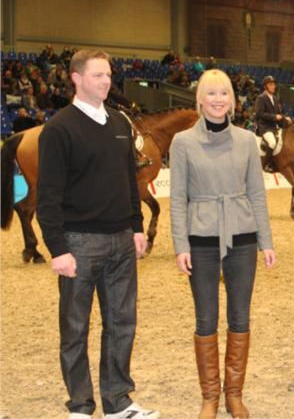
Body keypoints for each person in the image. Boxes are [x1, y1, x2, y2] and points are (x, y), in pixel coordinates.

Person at [36, 49, 159, 419]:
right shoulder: (59, 128)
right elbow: (48, 196)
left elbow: (129, 181)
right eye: (97, 75)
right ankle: (80, 405)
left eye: (108, 75)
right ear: (76, 78)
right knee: (75, 329)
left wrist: (137, 227)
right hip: (78, 243)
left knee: (122, 324)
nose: (106, 81)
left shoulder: (121, 123)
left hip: (122, 239)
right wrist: (57, 247)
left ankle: (118, 400)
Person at [170, 69, 277, 419]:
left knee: (239, 316)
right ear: (200, 99)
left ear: (232, 99)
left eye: (224, 93)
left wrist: (266, 241)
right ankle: (209, 396)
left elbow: (258, 194)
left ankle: (234, 394)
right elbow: (178, 198)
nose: (218, 100)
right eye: (211, 93)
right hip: (199, 239)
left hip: (242, 237)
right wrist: (180, 244)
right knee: (205, 318)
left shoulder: (247, 140)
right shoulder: (182, 142)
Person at [254, 75, 292, 171]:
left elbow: (278, 114)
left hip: (274, 127)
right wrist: (274, 117)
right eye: (271, 85)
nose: (273, 86)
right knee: (272, 143)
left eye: (274, 84)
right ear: (265, 87)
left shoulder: (275, 98)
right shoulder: (261, 98)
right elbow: (260, 114)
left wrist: (285, 118)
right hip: (265, 127)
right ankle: (265, 165)